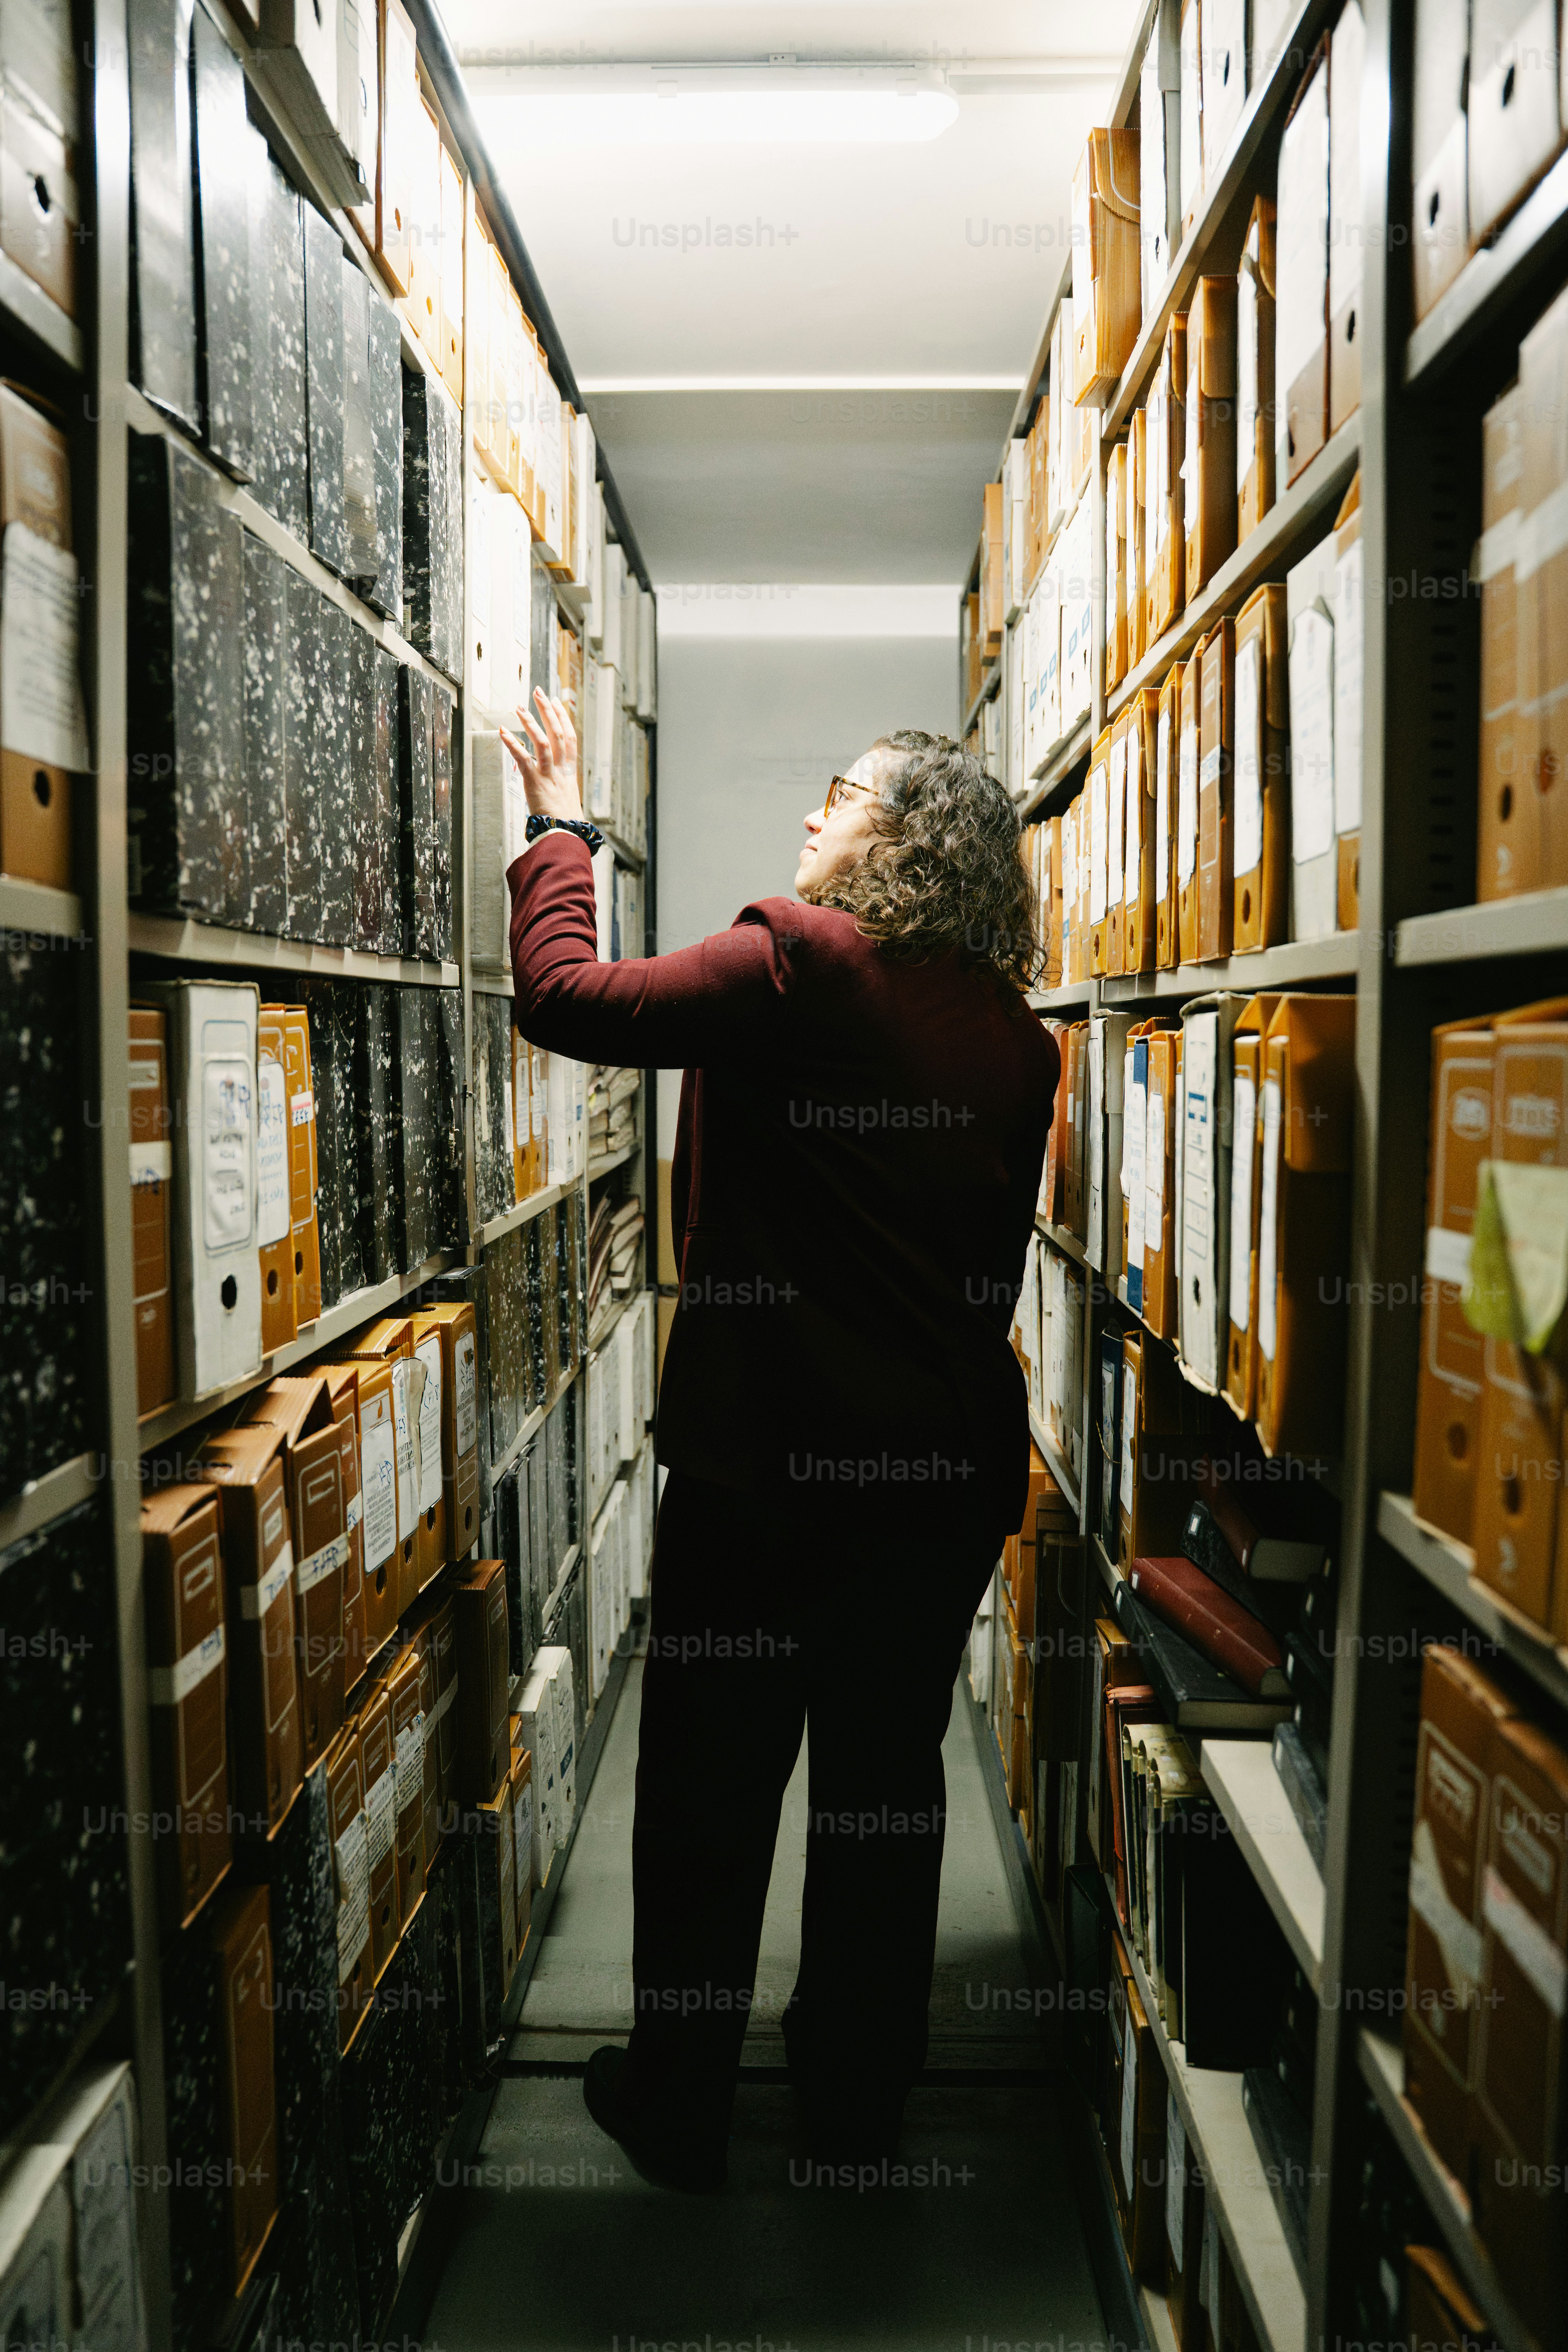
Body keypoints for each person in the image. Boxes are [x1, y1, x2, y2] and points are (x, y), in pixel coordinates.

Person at [502, 688, 1059, 2190]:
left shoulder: (802, 965)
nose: (814, 815)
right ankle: (857, 2107)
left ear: (905, 842)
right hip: (936, 1483)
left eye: (843, 793)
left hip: (771, 1484)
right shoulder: (1019, 1038)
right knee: (886, 1794)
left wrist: (556, 826)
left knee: (710, 1793)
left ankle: (682, 2107)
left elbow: (565, 997)